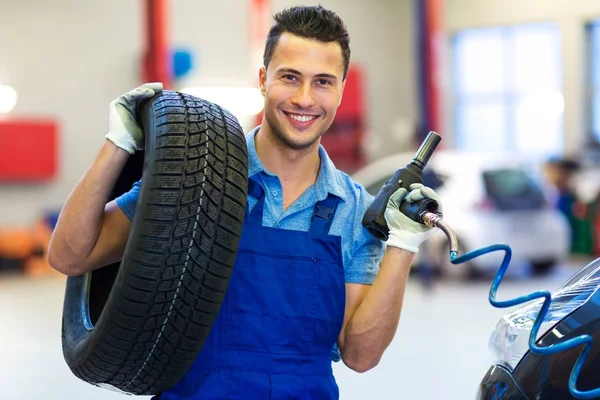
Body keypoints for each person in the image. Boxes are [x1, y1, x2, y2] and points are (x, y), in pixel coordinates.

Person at [48, 5, 443, 399]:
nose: (305, 99)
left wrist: (402, 245)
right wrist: (118, 143)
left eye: (323, 82)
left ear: (340, 90)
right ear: (263, 80)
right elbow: (70, 256)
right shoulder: (196, 177)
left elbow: (360, 354)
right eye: (290, 77)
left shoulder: (354, 209)